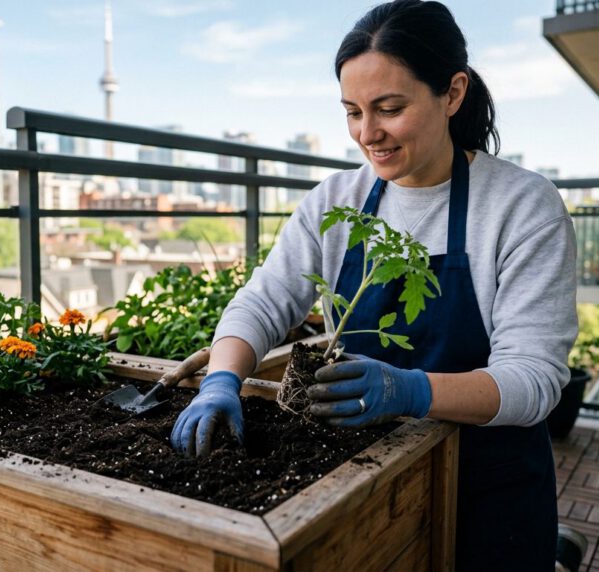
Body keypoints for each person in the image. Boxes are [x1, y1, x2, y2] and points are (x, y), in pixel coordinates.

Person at [169, 1, 578, 570]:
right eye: (352, 111)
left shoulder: (522, 206)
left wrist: (410, 391)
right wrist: (222, 379)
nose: (368, 133)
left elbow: (535, 379)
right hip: (371, 476)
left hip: (490, 481)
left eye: (389, 108)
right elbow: (263, 301)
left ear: (452, 93)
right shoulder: (336, 200)